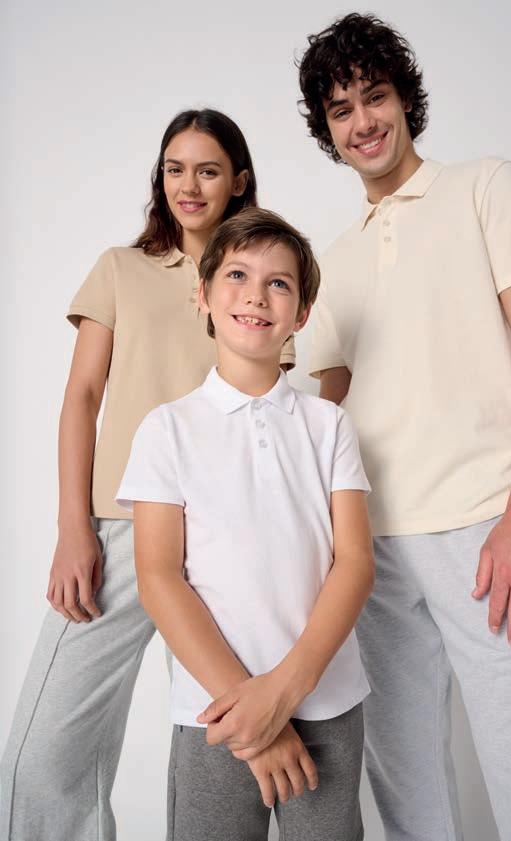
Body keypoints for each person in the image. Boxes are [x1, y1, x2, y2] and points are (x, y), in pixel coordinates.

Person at [298, 12, 511, 841]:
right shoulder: (335, 258)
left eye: (375, 96)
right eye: (341, 110)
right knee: (410, 809)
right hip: (370, 552)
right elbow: (329, 410)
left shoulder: (484, 186)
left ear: (405, 98)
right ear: (327, 130)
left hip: (486, 533)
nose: (362, 122)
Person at [0, 109, 294, 841]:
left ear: (239, 181)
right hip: (125, 530)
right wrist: (75, 527)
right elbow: (82, 397)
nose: (188, 185)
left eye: (208, 170)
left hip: (227, 539)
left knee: (218, 757)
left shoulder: (256, 281)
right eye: (174, 168)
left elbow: (269, 410)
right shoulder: (120, 269)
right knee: (44, 758)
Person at [115, 207, 374, 841]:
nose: (256, 295)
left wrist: (283, 693)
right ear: (203, 294)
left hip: (326, 701)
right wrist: (253, 716)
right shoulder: (166, 429)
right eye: (237, 275)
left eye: (278, 283)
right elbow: (159, 577)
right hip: (214, 710)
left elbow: (355, 563)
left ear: (302, 313)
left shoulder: (329, 426)